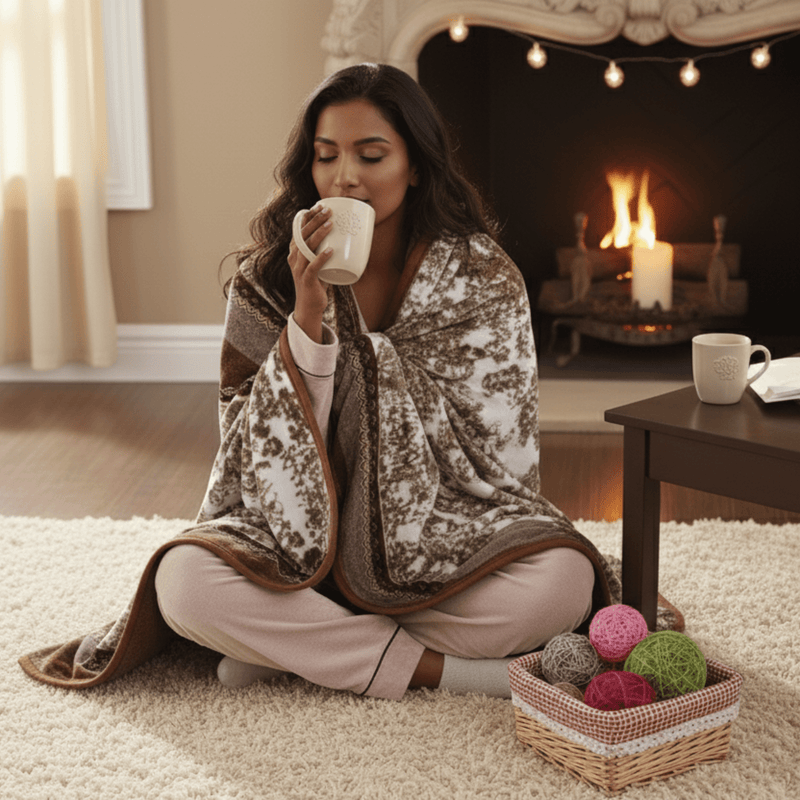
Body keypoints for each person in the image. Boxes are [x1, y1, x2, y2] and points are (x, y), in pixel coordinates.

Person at [19, 63, 619, 699]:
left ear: (415, 165)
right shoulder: (267, 280)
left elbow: (500, 449)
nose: (345, 177)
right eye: (326, 156)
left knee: (561, 584)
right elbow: (246, 448)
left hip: (443, 538)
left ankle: (300, 649)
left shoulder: (482, 276)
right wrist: (307, 317)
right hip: (295, 544)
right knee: (184, 584)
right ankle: (446, 672)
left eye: (371, 154)